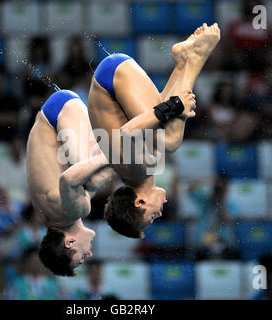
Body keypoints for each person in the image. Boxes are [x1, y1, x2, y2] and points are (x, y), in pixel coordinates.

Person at [87, 24, 221, 238]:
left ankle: (195, 59)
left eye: (153, 215)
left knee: (170, 141)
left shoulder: (137, 170)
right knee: (164, 134)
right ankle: (182, 61)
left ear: (140, 201)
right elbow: (150, 113)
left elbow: (127, 132)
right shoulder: (136, 172)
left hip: (112, 78)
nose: (160, 212)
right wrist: (175, 90)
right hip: (112, 78)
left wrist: (176, 105)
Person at [26, 90, 113, 276]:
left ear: (69, 242)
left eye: (82, 257)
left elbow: (69, 179)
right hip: (56, 112)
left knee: (97, 175)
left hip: (61, 112)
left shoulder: (72, 211)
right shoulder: (51, 215)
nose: (89, 253)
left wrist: (117, 154)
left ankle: (145, 122)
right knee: (98, 178)